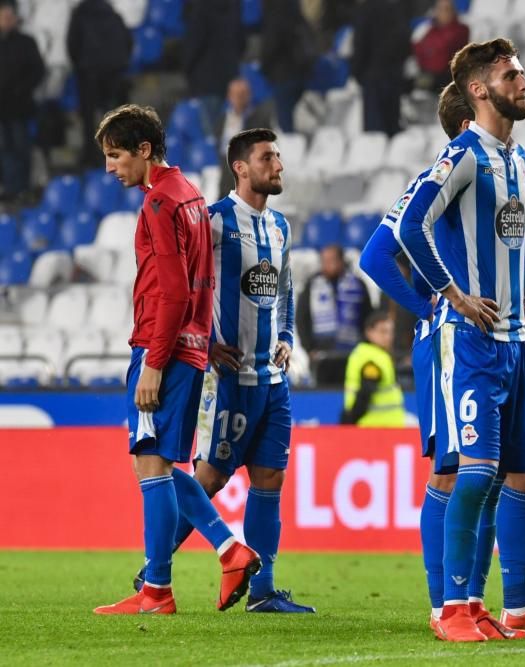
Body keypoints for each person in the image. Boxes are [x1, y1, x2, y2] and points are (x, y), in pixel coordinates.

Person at [397, 39, 525, 642]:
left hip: (514, 340)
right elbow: (407, 225)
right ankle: (453, 607)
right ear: (479, 89)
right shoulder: (464, 155)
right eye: (511, 74)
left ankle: (514, 605)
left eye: (522, 70)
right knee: (474, 471)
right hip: (468, 339)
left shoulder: (517, 159)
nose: (523, 80)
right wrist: (451, 293)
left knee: (524, 475)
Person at [360, 81, 525, 640]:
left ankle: (480, 602)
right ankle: (447, 605)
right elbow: (378, 253)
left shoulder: (508, 164)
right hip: (453, 338)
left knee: (496, 469)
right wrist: (433, 303)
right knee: (454, 468)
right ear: (468, 123)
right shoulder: (448, 168)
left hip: (496, 332)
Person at [130, 128, 314, 613]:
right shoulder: (212, 222)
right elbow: (187, 287)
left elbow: (286, 291)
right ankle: (154, 569)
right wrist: (205, 344)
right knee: (208, 476)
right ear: (241, 166)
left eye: (277, 156)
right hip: (226, 379)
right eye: (268, 157)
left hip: (271, 381)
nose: (278, 165)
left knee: (269, 478)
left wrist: (287, 337)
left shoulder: (279, 227)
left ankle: (264, 590)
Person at [92, 105, 259, 615]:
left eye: (115, 155)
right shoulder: (191, 196)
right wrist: (201, 345)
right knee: (161, 463)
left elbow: (173, 291)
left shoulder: (161, 206)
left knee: (150, 463)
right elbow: (201, 286)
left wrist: (154, 361)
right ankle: (223, 555)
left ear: (144, 150)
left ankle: (161, 588)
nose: (109, 168)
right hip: (188, 347)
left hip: (160, 346)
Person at [67, 0, 132, 169]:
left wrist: (80, 64)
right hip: (113, 73)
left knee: (90, 119)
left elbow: (72, 44)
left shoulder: (80, 15)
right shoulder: (114, 15)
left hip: (88, 73)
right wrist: (119, 65)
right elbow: (127, 42)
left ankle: (91, 155)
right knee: (113, 117)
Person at [296, 243, 373, 385]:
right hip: (322, 354)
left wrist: (365, 346)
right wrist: (309, 348)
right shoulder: (312, 285)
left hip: (353, 352)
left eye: (331, 260)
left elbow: (368, 318)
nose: (327, 264)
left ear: (341, 261)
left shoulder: (358, 284)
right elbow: (302, 318)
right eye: (324, 261)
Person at [0, 0, 44, 202]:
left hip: (20, 108)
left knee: (21, 148)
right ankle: (11, 188)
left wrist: (21, 89)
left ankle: (24, 188)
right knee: (5, 150)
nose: (7, 20)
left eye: (10, 16)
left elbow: (38, 71)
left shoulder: (26, 42)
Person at [181, 0, 244, 135]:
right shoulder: (234, 4)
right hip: (231, 76)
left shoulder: (199, 6)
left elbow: (194, 44)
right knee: (232, 134)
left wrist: (187, 70)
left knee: (211, 136)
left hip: (206, 80)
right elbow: (241, 41)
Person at [351, 0, 411, 135]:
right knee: (392, 129)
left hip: (373, 78)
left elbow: (360, 44)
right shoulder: (397, 8)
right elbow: (405, 43)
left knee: (375, 134)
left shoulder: (365, 9)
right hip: (394, 76)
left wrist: (357, 72)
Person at [261, 0, 319, 132]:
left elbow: (271, 47)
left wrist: (265, 68)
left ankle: (291, 148)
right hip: (302, 75)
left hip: (283, 76)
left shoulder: (275, 17)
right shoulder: (298, 17)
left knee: (285, 123)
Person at [340, 311, 406, 426]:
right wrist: (350, 421)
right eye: (383, 331)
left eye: (390, 332)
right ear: (369, 332)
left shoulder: (373, 354)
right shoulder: (371, 359)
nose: (388, 337)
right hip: (374, 427)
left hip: (381, 427)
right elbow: (365, 394)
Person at [217, 78, 275, 194]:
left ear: (249, 95)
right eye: (236, 95)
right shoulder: (223, 118)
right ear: (229, 96)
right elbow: (217, 141)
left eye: (243, 94)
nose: (239, 98)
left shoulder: (259, 118)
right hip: (225, 165)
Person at [413, 0, 470, 93]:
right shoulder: (428, 29)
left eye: (447, 9)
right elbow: (417, 49)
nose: (443, 13)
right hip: (425, 75)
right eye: (440, 9)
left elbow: (443, 53)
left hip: (447, 79)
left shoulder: (461, 30)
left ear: (454, 11)